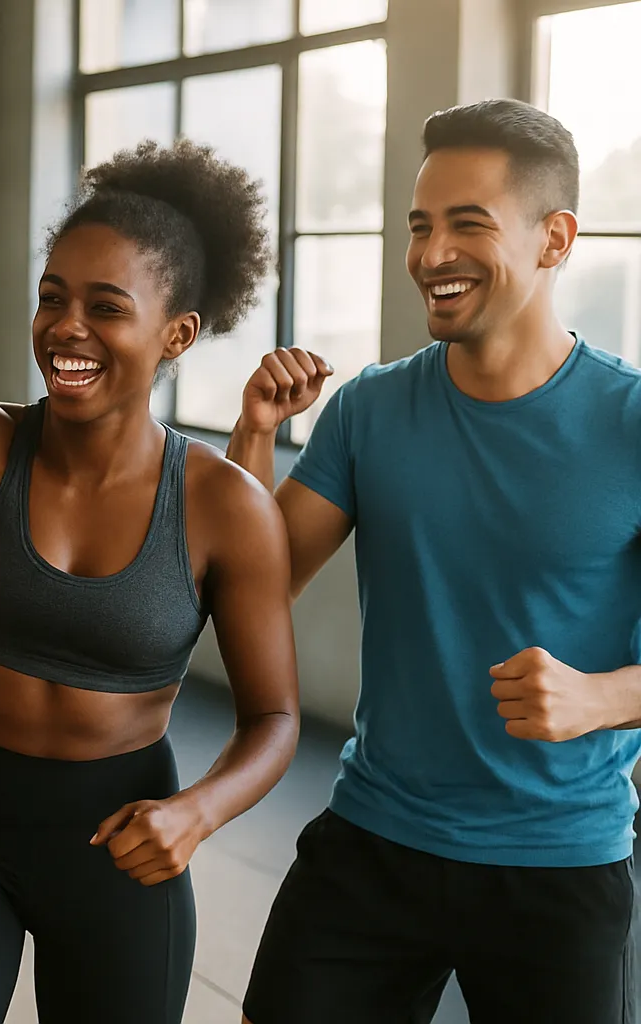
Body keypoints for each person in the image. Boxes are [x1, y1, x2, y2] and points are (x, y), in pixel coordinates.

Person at [0, 77, 302, 1020]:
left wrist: (195, 814)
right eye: (53, 298)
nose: (67, 328)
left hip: (121, 841)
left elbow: (276, 719)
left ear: (177, 335)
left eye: (107, 307)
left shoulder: (227, 507)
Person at [232, 99, 641, 1024]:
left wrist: (602, 697)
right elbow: (257, 584)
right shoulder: (370, 410)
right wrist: (255, 438)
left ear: (555, 238)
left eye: (468, 225)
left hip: (560, 864)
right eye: (421, 226)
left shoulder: (630, 423)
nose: (430, 254)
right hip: (375, 841)